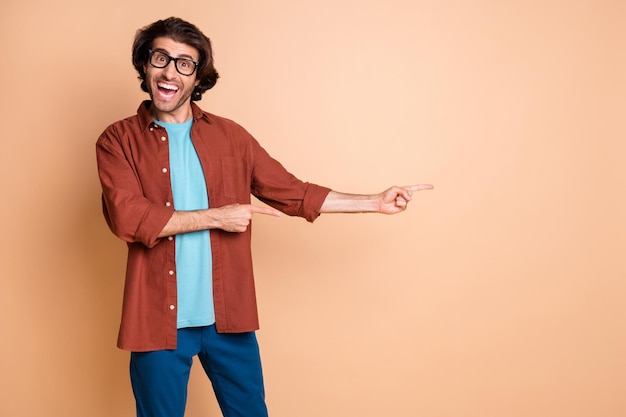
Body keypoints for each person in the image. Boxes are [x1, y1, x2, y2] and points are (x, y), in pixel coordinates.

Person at [96, 16, 432, 417]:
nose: (170, 72)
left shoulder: (231, 137)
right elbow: (128, 218)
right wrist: (218, 217)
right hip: (156, 320)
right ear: (145, 64)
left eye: (185, 63)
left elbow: (293, 193)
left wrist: (374, 201)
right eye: (161, 58)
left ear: (198, 76)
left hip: (229, 319)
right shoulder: (117, 140)